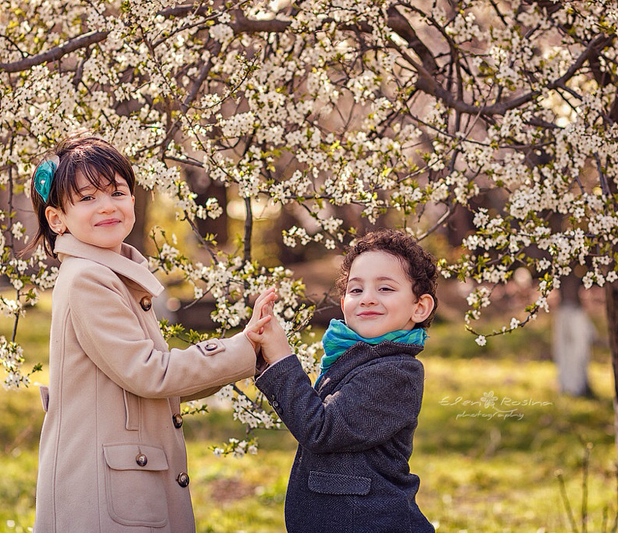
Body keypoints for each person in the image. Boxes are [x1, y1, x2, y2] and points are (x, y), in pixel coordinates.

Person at [29, 132, 275, 533]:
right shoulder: (88, 279)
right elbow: (150, 373)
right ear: (57, 219)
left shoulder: (111, 274)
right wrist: (245, 347)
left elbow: (156, 383)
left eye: (117, 192)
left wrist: (244, 355)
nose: (107, 206)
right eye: (87, 198)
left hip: (118, 489)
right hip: (103, 500)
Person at [249, 229, 436, 532]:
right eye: (356, 289)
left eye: (385, 288)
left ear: (420, 307)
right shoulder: (352, 356)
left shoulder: (396, 373)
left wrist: (282, 357)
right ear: (343, 301)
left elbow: (321, 428)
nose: (368, 299)